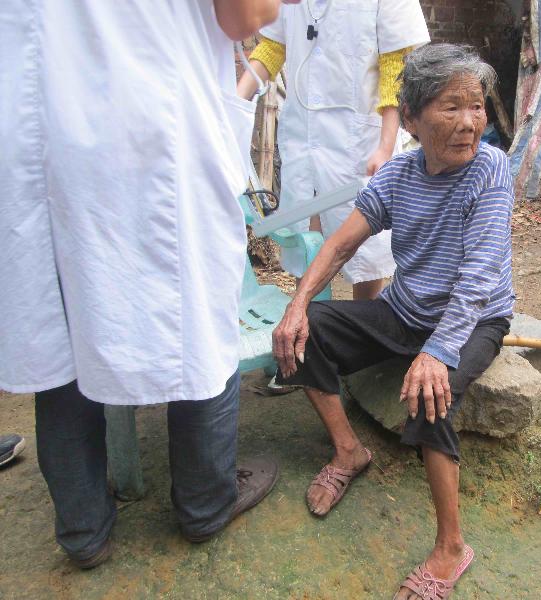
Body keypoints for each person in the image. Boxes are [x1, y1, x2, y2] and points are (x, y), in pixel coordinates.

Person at [0, 0, 285, 569]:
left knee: (60, 326)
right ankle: (205, 504)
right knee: (197, 322)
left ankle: (83, 531)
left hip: (30, 120)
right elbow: (243, 17)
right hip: (149, 120)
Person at [272, 44, 515, 600]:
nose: (469, 122)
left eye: (476, 106)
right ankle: (348, 451)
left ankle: (451, 547)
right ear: (410, 119)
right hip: (406, 310)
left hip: (475, 318)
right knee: (309, 331)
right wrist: (298, 303)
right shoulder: (401, 174)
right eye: (451, 107)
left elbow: (478, 277)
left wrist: (438, 352)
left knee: (432, 395)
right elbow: (340, 244)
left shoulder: (491, 169)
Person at [236, 0, 430, 301]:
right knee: (305, 237)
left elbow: (394, 67)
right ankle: (307, 316)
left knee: (365, 248)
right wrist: (234, 102)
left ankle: (362, 318)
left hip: (361, 140)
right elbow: (272, 48)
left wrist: (385, 146)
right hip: (303, 135)